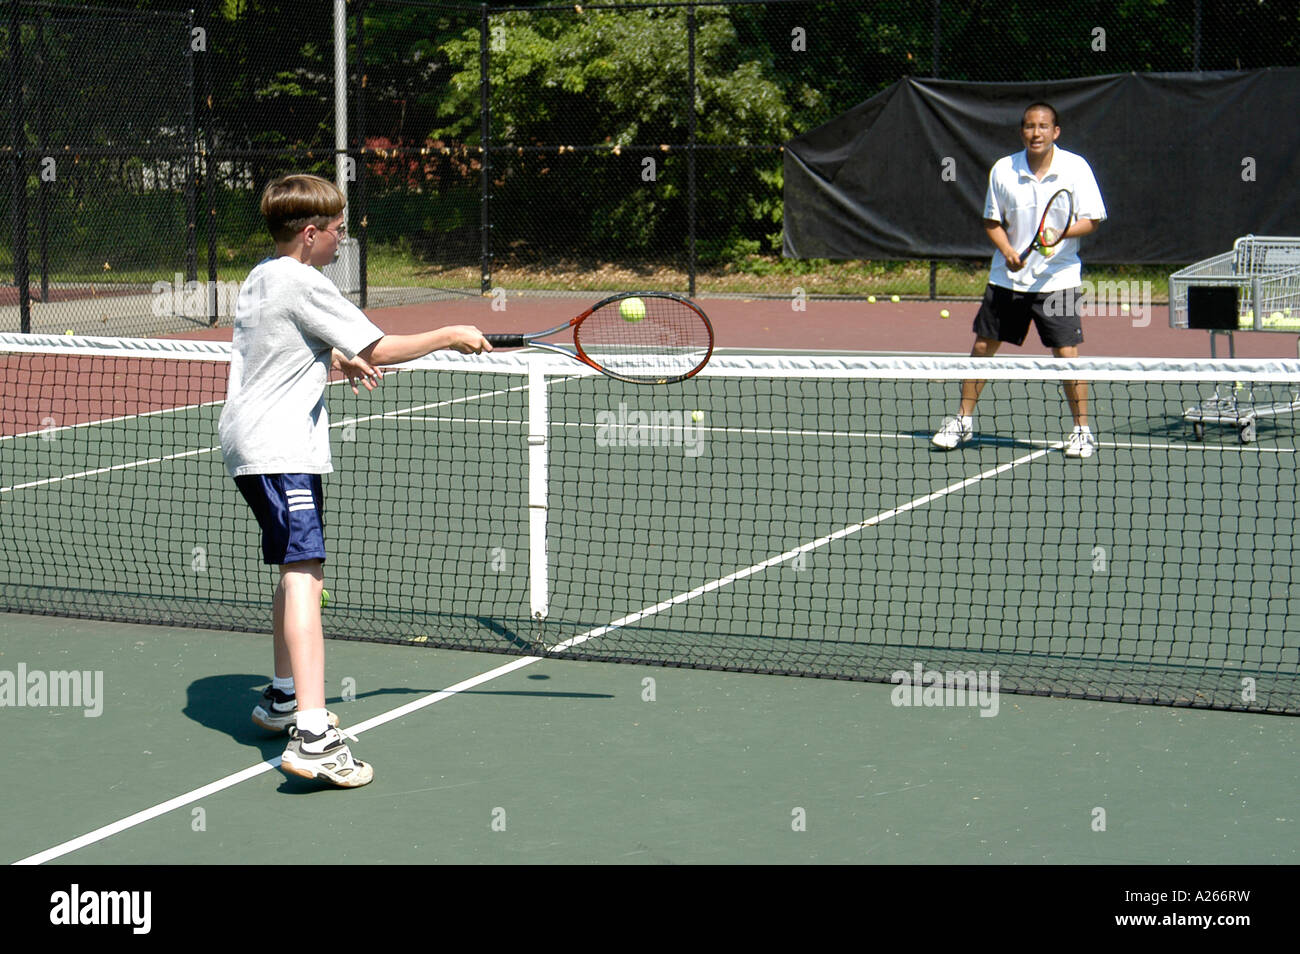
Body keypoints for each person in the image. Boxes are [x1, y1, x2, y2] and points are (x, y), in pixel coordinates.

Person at [220, 173, 490, 788]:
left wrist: (334, 357)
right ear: (310, 234)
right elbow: (385, 345)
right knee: (305, 577)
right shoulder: (303, 280)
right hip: (281, 447)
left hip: (251, 443)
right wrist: (451, 334)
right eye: (338, 230)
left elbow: (278, 342)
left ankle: (285, 698)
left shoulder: (263, 275)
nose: (344, 239)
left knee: (294, 571)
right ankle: (313, 737)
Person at [933, 102, 1106, 458]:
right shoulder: (1003, 170)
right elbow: (992, 222)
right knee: (982, 348)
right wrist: (1009, 251)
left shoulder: (1076, 169)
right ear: (1022, 131)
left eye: (1044, 126)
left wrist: (1058, 235)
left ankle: (1082, 431)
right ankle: (963, 421)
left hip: (1058, 279)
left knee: (1066, 353)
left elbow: (1092, 219)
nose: (1036, 133)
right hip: (1007, 280)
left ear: (1055, 132)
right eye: (1029, 126)